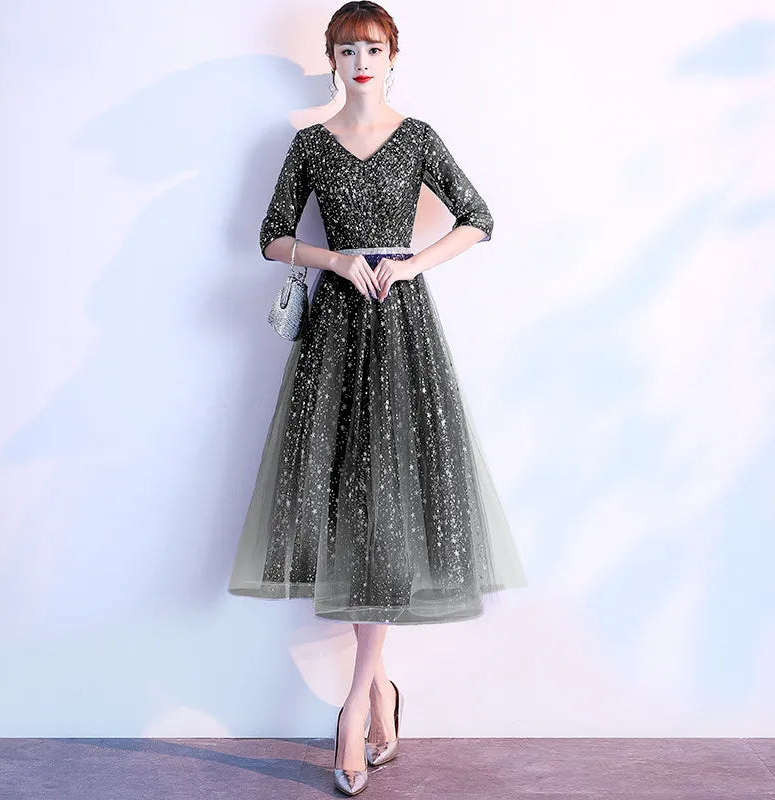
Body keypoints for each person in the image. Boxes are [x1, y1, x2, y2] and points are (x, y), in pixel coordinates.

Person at [228, 1, 528, 794]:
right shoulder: (309, 144)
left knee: (387, 511)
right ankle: (381, 694)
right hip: (334, 336)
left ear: (394, 57)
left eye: (372, 48)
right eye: (346, 49)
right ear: (331, 59)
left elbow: (479, 218)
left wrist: (410, 262)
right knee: (351, 513)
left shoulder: (418, 136)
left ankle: (355, 707)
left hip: (401, 331)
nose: (360, 61)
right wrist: (333, 259)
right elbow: (270, 236)